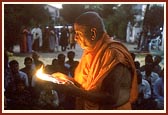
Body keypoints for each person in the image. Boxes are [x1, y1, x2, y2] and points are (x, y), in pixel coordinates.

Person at [52, 11, 138, 110]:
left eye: (78, 33)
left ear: (93, 33)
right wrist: (66, 80)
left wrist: (76, 92)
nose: (75, 38)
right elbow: (86, 86)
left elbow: (111, 97)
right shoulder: (90, 52)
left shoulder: (113, 54)